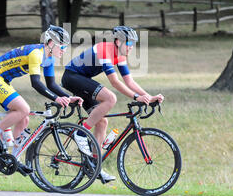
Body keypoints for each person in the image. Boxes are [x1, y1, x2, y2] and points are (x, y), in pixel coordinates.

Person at [62, 26, 164, 182]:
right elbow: (115, 82)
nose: (131, 47)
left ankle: (95, 167)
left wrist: (149, 97)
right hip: (72, 77)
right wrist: (136, 97)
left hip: (82, 80)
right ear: (118, 41)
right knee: (110, 98)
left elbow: (129, 81)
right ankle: (81, 133)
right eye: (128, 43)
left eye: (133, 43)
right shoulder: (104, 50)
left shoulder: (120, 55)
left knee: (102, 122)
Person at [0, 25, 83, 175]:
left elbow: (51, 84)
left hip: (3, 80)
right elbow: (36, 83)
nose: (64, 50)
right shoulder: (37, 53)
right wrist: (56, 98)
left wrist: (68, 98)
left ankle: (14, 160)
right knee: (24, 109)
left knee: (24, 120)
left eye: (66, 47)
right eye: (62, 46)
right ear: (50, 43)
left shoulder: (48, 59)